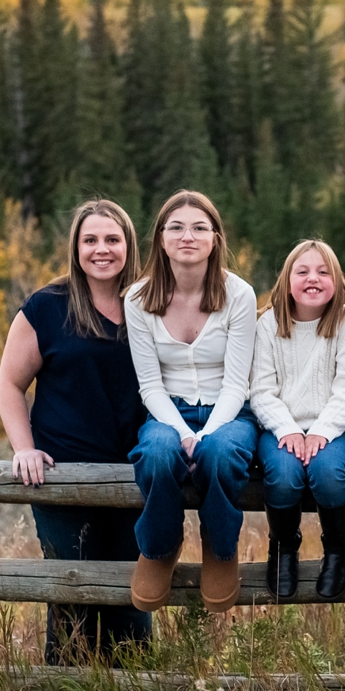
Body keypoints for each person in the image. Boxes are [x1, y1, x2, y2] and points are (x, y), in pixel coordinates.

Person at [0, 199, 151, 663]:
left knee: (131, 597)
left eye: (112, 240)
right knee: (72, 593)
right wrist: (24, 449)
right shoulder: (47, 308)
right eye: (90, 240)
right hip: (63, 477)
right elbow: (8, 385)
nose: (101, 249)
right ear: (76, 248)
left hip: (135, 477)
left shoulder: (148, 306)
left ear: (128, 245)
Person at [124, 190, 260, 614]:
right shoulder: (138, 298)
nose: (188, 236)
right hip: (169, 409)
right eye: (176, 227)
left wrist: (205, 435)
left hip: (229, 410)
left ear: (215, 239)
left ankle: (220, 549)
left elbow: (238, 384)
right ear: (161, 239)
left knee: (220, 453)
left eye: (200, 227)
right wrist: (184, 433)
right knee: (157, 452)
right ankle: (160, 547)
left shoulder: (238, 295)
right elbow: (149, 386)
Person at [250, 239, 345, 602]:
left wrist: (320, 432)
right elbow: (262, 392)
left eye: (323, 272)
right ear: (286, 280)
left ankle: (337, 550)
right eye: (302, 272)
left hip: (335, 431)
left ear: (337, 281)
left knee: (328, 472)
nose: (312, 279)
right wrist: (287, 430)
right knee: (283, 475)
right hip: (280, 429)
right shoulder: (268, 324)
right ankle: (283, 548)